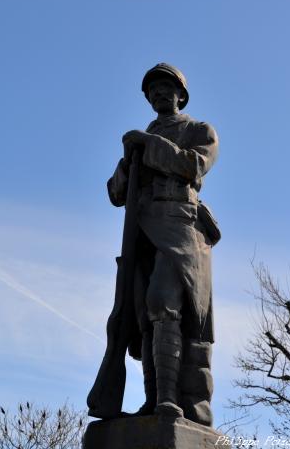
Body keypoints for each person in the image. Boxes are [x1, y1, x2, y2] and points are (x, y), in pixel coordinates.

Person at [91, 63, 220, 426]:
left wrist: (148, 145)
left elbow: (194, 165)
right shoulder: (141, 139)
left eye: (167, 87)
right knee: (144, 318)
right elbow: (116, 193)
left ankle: (170, 400)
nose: (159, 94)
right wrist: (127, 161)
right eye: (153, 90)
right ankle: (153, 401)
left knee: (162, 303)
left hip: (180, 228)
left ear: (181, 95)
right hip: (141, 231)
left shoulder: (198, 130)